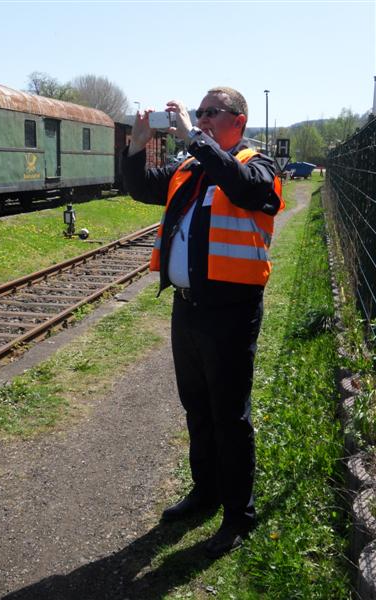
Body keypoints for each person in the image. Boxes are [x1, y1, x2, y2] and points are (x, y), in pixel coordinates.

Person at [122, 86, 284, 559]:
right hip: (188, 307)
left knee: (229, 415)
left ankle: (238, 513)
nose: (204, 118)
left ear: (239, 118)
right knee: (196, 406)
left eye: (213, 112)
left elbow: (245, 189)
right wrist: (134, 144)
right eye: (200, 112)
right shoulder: (191, 168)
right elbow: (141, 186)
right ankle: (205, 491)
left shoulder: (259, 164)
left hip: (231, 310)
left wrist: (195, 137)